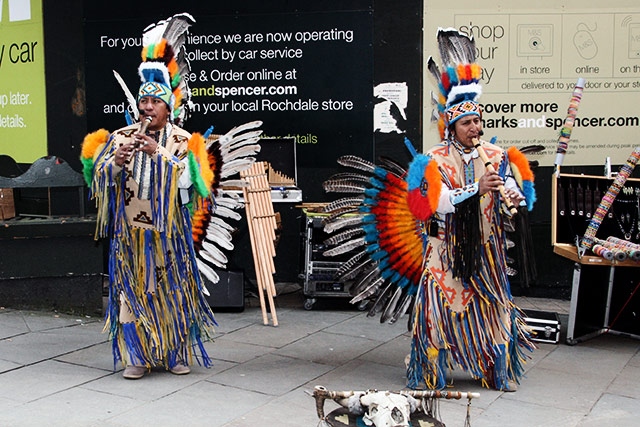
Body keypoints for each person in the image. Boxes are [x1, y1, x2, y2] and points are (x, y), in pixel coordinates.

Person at [81, 14, 217, 380]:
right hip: (130, 236)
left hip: (168, 236)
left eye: (154, 104)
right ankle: (136, 357)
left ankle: (174, 353)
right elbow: (96, 178)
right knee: (130, 295)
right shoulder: (120, 136)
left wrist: (159, 153)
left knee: (172, 292)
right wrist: (115, 164)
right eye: (143, 103)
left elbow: (194, 184)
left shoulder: (183, 141)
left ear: (167, 108)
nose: (146, 109)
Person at [404, 28, 535, 391]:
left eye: (477, 121)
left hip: (486, 251)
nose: (474, 128)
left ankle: (498, 371)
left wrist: (513, 196)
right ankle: (431, 372)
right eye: (466, 123)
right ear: (451, 127)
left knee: (495, 310)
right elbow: (438, 203)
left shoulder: (494, 156)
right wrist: (475, 189)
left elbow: (507, 188)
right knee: (437, 311)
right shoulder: (433, 159)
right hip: (444, 251)